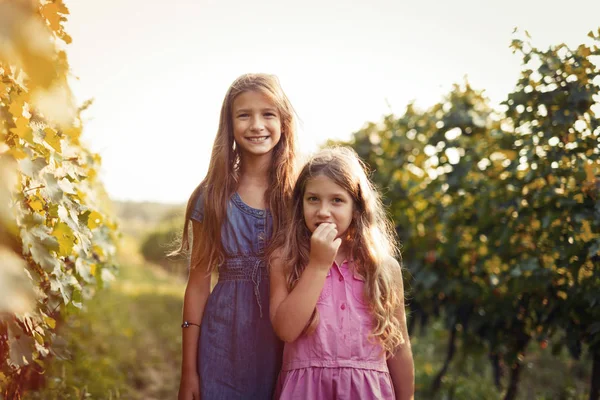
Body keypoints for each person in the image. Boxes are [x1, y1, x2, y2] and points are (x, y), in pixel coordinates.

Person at [176, 73, 298, 400]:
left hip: (286, 340)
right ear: (229, 125)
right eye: (244, 115)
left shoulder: (301, 194)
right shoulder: (212, 195)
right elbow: (199, 283)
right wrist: (189, 371)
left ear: (284, 122)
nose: (256, 124)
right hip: (223, 341)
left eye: (268, 114)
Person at [269, 147, 414, 399]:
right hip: (305, 391)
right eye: (313, 199)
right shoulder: (285, 259)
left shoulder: (382, 268)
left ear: (356, 208)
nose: (323, 211)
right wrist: (317, 264)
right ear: (300, 204)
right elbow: (286, 330)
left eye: (337, 200)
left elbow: (399, 346)